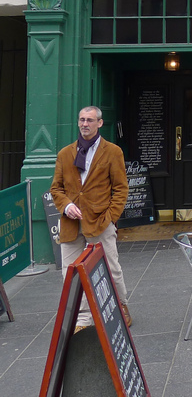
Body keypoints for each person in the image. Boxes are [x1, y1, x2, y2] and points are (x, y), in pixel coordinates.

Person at [50, 105, 131, 331]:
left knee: (111, 267)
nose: (85, 124)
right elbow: (56, 189)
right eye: (82, 120)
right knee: (72, 272)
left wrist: (110, 217)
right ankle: (84, 317)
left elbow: (121, 189)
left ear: (99, 123)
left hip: (99, 221)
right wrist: (66, 206)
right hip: (70, 224)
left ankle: (121, 307)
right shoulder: (65, 154)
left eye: (89, 120)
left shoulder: (113, 151)